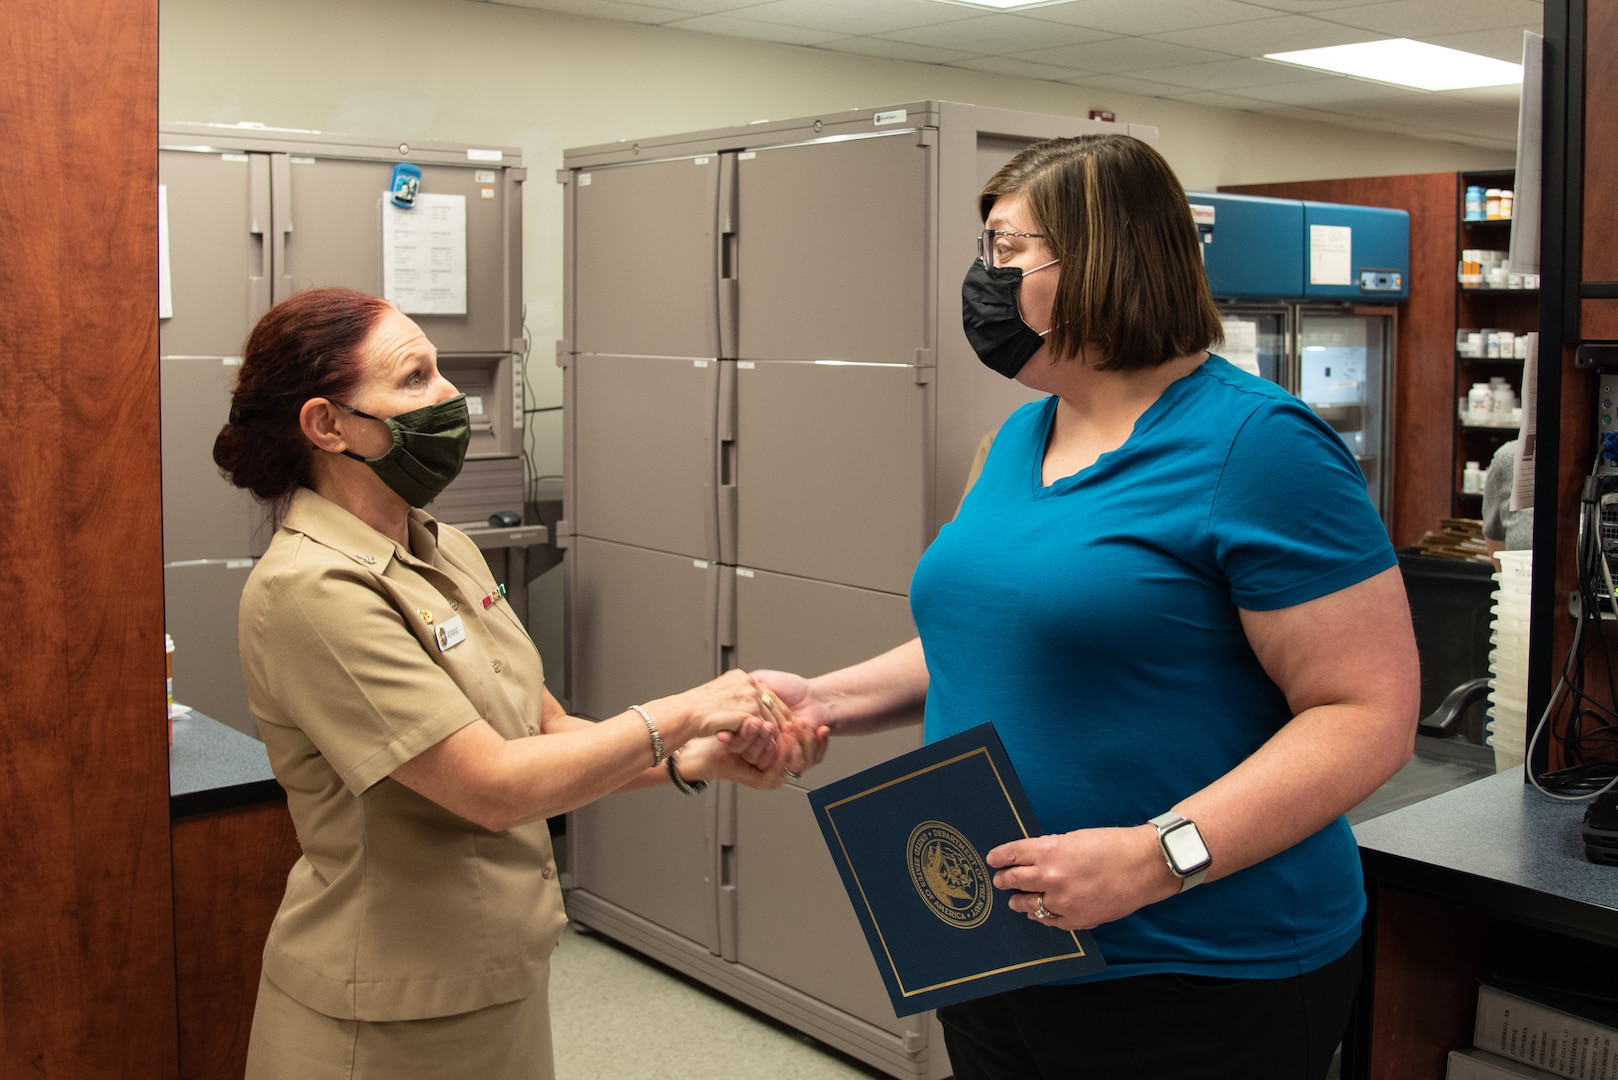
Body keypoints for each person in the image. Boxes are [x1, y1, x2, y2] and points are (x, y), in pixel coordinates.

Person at [754, 135, 1420, 1080]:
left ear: (1107, 260)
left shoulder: (1260, 447)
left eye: (1006, 251)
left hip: (1200, 964)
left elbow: (1369, 716)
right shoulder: (1020, 436)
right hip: (1002, 937)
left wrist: (1157, 857)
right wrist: (825, 701)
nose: (982, 280)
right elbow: (988, 638)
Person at [213, 286, 824, 1080]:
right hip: (388, 1011)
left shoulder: (447, 550)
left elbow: (541, 734)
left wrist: (699, 757)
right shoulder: (311, 588)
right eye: (414, 379)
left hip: (497, 976)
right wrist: (686, 711)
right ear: (328, 425)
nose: (448, 397)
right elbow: (493, 786)